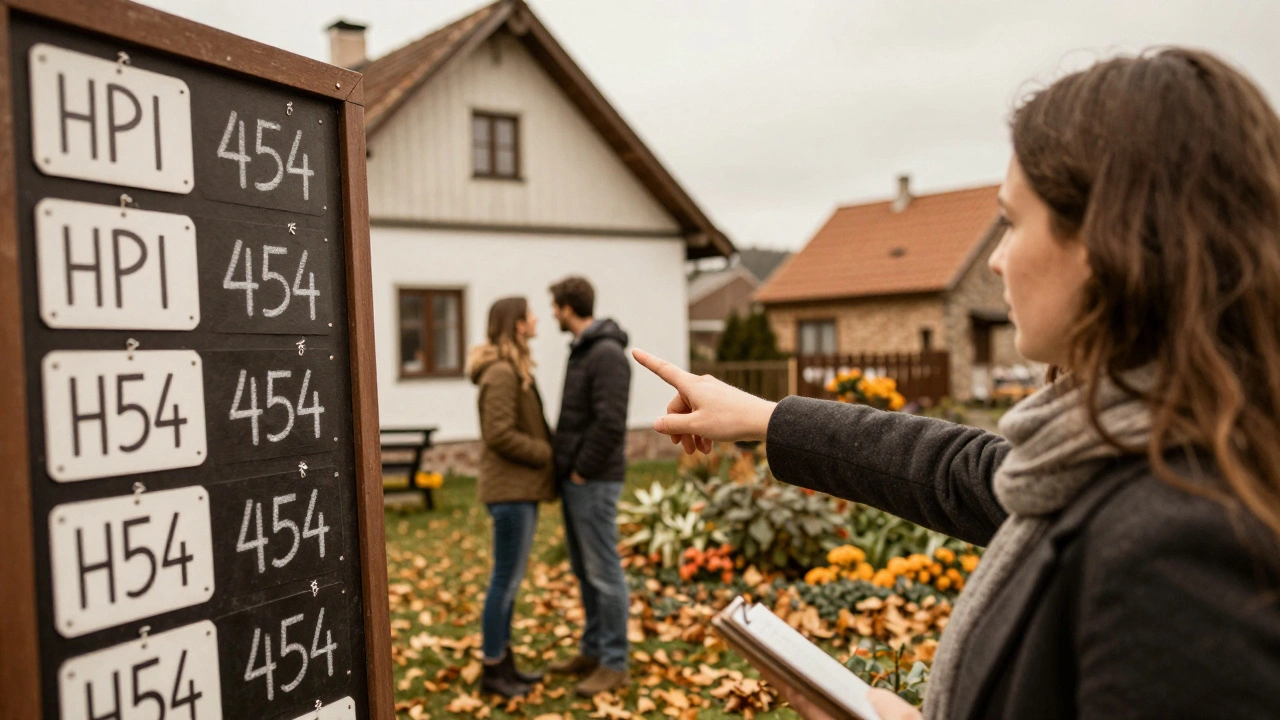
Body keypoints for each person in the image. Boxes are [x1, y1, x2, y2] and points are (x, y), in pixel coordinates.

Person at [635, 48, 1280, 720]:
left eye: (1012, 223)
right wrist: (767, 419)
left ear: (1108, 242)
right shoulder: (1122, 452)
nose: (996, 261)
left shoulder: (1179, 548)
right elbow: (964, 473)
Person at [545, 276, 633, 696]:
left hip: (594, 481)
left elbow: (610, 422)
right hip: (577, 480)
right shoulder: (583, 350)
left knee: (604, 572)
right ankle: (593, 649)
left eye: (554, 306)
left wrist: (581, 470)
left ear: (567, 308)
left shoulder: (606, 354)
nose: (552, 314)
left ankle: (614, 662)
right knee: (585, 571)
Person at [468, 296, 555, 698]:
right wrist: (545, 452)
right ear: (518, 324)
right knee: (504, 581)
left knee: (509, 581)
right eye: (530, 314)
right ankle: (493, 669)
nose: (536, 319)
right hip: (510, 492)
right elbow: (498, 433)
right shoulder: (502, 372)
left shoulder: (511, 367)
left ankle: (505, 665)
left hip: (518, 490)